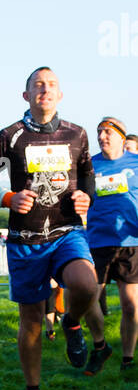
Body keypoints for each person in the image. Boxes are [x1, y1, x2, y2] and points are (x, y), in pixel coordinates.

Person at [0, 67, 96, 390]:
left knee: (86, 285)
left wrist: (87, 198)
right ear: (25, 95)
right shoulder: (10, 135)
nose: (45, 89)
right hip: (25, 239)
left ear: (60, 94)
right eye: (38, 85)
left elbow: (87, 177)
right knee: (31, 320)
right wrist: (7, 199)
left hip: (66, 231)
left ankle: (71, 322)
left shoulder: (77, 134)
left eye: (52, 85)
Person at [82, 116, 138, 375]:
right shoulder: (90, 166)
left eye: (107, 132)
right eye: (99, 132)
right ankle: (99, 346)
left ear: (121, 137)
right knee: (89, 298)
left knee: (130, 305)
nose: (102, 137)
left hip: (130, 242)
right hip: (97, 241)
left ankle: (127, 358)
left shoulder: (136, 163)